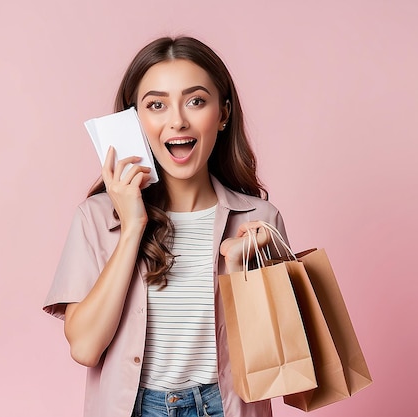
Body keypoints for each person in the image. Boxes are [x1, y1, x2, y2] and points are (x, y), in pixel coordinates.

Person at [43, 36, 289, 417]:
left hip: (226, 408)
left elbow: (276, 358)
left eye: (195, 101)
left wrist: (244, 272)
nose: (177, 120)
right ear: (134, 119)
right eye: (156, 105)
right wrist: (132, 227)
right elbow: (85, 348)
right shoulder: (96, 217)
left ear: (222, 114)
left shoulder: (259, 219)